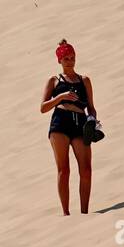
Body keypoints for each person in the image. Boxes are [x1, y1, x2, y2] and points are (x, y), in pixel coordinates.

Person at [41, 39, 98, 215]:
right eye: (66, 58)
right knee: (64, 170)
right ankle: (66, 213)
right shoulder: (54, 81)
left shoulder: (84, 80)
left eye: (72, 57)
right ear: (59, 60)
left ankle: (84, 213)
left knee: (86, 169)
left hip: (80, 123)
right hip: (60, 122)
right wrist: (61, 97)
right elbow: (43, 107)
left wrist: (92, 121)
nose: (70, 61)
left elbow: (92, 107)